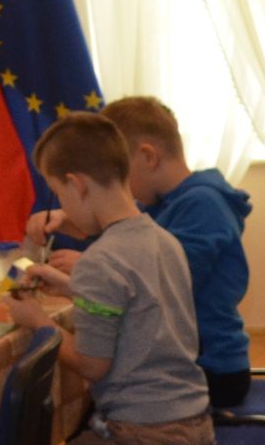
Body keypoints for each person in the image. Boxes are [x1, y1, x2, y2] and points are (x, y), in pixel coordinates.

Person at [7, 114, 214, 445]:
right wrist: (71, 285)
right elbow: (141, 304)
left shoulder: (102, 260)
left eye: (60, 192)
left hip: (144, 432)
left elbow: (92, 365)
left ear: (77, 184)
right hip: (190, 417)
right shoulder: (161, 239)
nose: (62, 205)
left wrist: (39, 323)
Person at [103, 96, 256, 411]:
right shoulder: (170, 204)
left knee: (104, 387)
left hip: (211, 370)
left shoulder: (201, 205)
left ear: (148, 156)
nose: (118, 187)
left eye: (119, 172)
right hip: (200, 363)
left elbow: (163, 283)